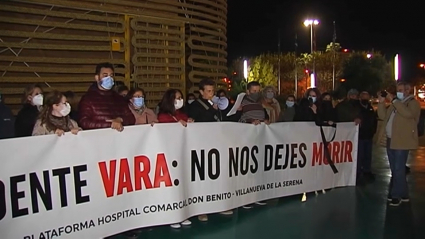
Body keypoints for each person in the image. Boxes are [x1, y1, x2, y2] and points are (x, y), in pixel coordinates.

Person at [377, 81, 420, 206]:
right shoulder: (395, 104)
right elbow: (383, 116)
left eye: (401, 89)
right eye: (397, 90)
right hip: (391, 139)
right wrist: (381, 103)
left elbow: (408, 114)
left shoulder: (412, 103)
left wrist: (395, 101)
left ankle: (396, 195)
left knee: (398, 168)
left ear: (408, 90)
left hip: (402, 141)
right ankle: (404, 193)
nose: (398, 92)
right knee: (395, 168)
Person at [78, 63, 135, 131]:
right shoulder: (87, 99)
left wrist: (120, 119)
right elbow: (84, 122)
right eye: (105, 76)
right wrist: (110, 125)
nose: (109, 78)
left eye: (111, 75)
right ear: (97, 78)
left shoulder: (119, 98)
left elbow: (131, 118)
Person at [358, 91, 377, 179]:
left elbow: (374, 120)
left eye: (367, 97)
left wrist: (373, 130)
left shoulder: (370, 108)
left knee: (368, 155)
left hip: (369, 135)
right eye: (363, 97)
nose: (365, 99)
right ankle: (358, 172)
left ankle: (367, 171)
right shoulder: (358, 108)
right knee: (360, 155)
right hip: (360, 136)